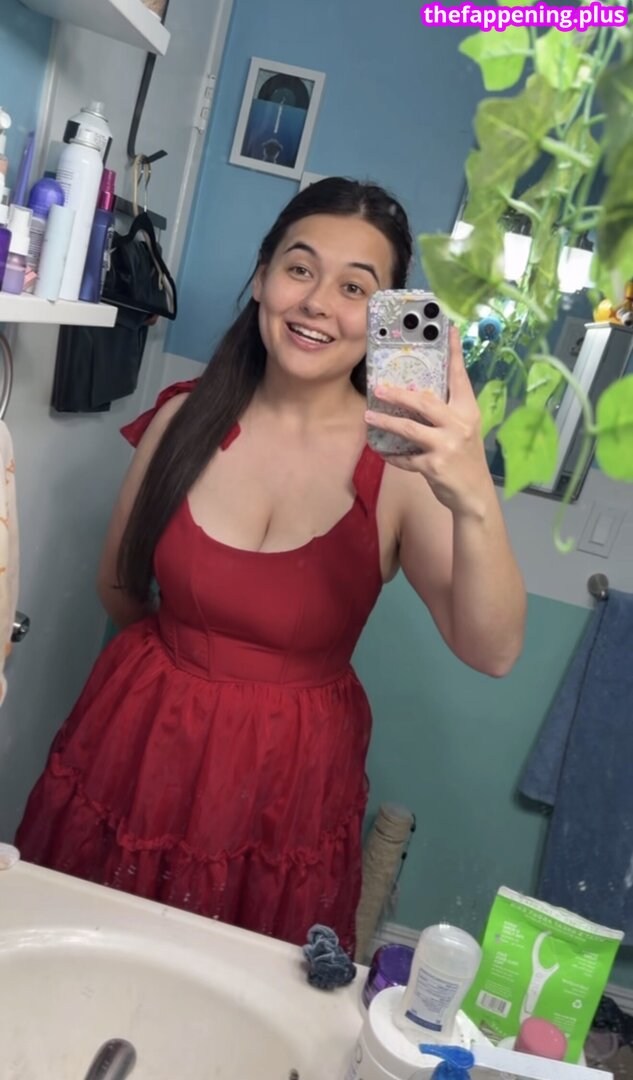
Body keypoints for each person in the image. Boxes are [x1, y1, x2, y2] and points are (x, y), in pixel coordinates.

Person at [15, 178, 526, 954]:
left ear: (385, 319)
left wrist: (473, 495)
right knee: (78, 949)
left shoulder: (400, 470)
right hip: (136, 740)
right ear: (261, 278)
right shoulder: (183, 418)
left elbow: (492, 651)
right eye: (299, 268)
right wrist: (186, 674)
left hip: (286, 782)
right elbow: (118, 584)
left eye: (355, 288)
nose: (317, 302)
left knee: (235, 980)